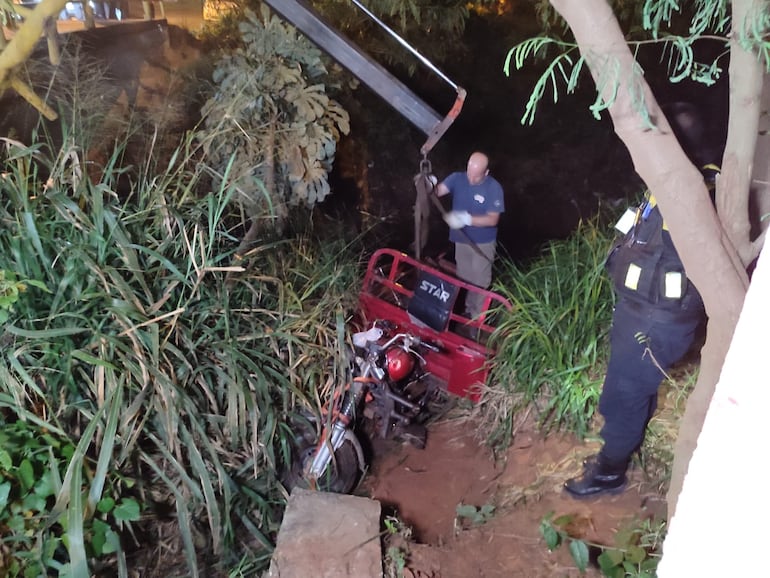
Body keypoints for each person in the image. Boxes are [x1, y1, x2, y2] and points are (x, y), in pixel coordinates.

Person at [563, 193, 706, 499]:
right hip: (640, 312)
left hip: (656, 321)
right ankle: (618, 451)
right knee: (627, 390)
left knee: (625, 396)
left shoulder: (688, 195)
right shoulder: (660, 191)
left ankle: (609, 474)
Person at [433, 151, 505, 320]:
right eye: (469, 173)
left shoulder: (493, 188)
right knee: (464, 277)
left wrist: (466, 218)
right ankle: (466, 310)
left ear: (486, 173)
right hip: (461, 239)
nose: (471, 179)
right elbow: (437, 191)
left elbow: (493, 219)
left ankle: (477, 319)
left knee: (480, 281)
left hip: (482, 242)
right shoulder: (457, 178)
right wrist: (429, 183)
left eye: (476, 176)